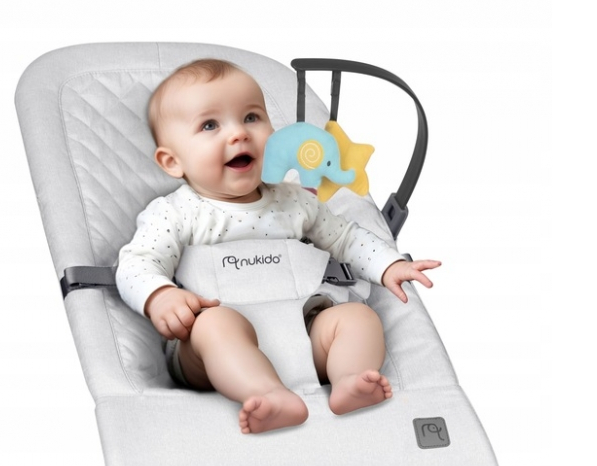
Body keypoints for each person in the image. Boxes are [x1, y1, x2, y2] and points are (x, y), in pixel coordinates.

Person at [116, 59, 440, 434]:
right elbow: (137, 263)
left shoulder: (295, 200)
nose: (239, 134)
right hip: (217, 348)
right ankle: (266, 394)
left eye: (251, 117)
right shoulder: (176, 212)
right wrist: (160, 296)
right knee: (213, 327)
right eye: (210, 125)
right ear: (172, 161)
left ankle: (350, 378)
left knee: (358, 318)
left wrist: (389, 265)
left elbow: (345, 237)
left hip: (303, 329)